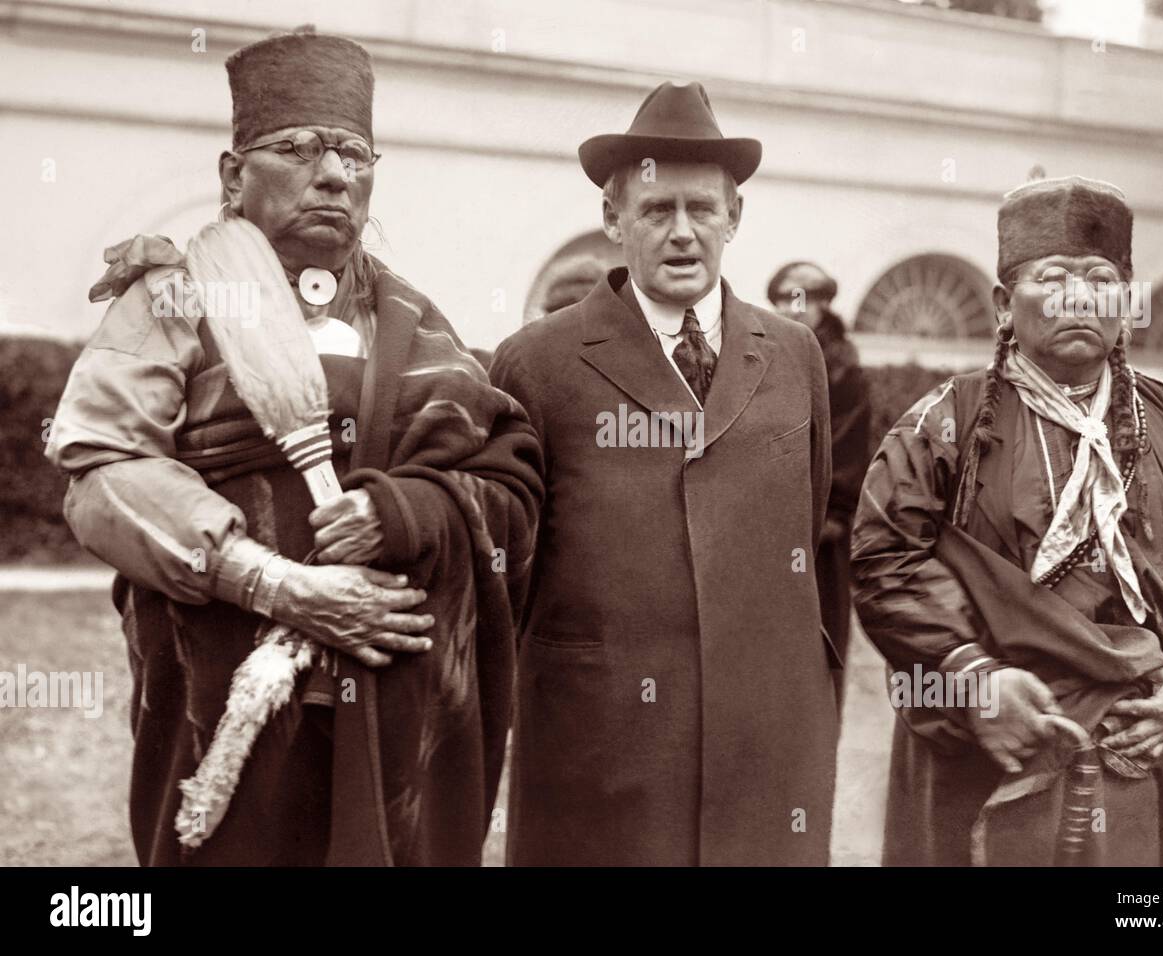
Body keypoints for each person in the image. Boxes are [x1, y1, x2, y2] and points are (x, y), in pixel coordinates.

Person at [45, 28, 542, 866]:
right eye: (300, 148)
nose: (337, 174)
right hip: (220, 695)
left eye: (354, 153)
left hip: (388, 704)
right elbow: (101, 470)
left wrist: (408, 511)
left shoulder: (416, 323)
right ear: (233, 174)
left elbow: (507, 475)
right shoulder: (172, 298)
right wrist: (274, 583)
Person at [850, 176, 1163, 866]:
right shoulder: (945, 422)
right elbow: (883, 558)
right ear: (1003, 305)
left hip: (1124, 757)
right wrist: (974, 675)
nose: (1080, 297)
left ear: (1128, 303)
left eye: (1101, 279)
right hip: (986, 747)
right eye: (1053, 278)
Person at [490, 80, 840, 865]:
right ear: (613, 220)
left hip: (761, 749)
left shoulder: (793, 354)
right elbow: (510, 569)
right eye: (655, 210)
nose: (682, 234)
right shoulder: (538, 362)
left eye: (702, 209)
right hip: (600, 755)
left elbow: (808, 516)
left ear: (734, 218)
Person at [768, 262, 870, 714]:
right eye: (782, 299)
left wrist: (819, 521)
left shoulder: (842, 368)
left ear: (823, 304)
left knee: (818, 650)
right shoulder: (771, 353)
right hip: (770, 528)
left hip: (821, 534)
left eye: (800, 299)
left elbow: (844, 459)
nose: (790, 309)